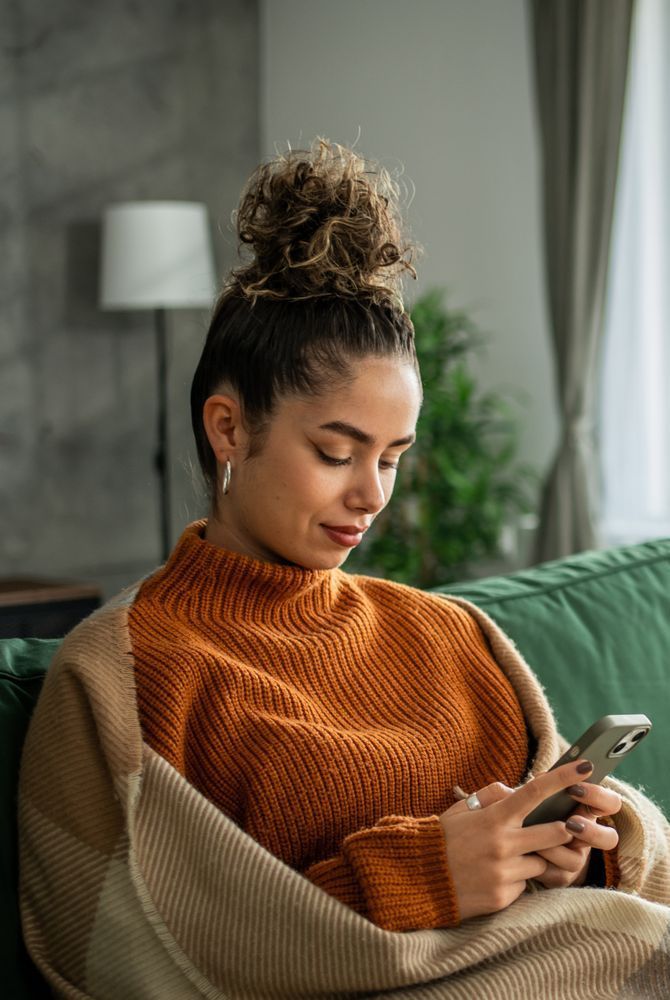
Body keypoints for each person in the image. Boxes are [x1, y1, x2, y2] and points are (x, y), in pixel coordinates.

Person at [19, 137, 670, 999]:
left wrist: (582, 845)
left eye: (393, 458)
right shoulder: (120, 676)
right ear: (228, 430)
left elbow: (627, 853)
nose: (371, 495)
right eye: (336, 452)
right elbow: (135, 951)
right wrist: (420, 876)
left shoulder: (450, 633)